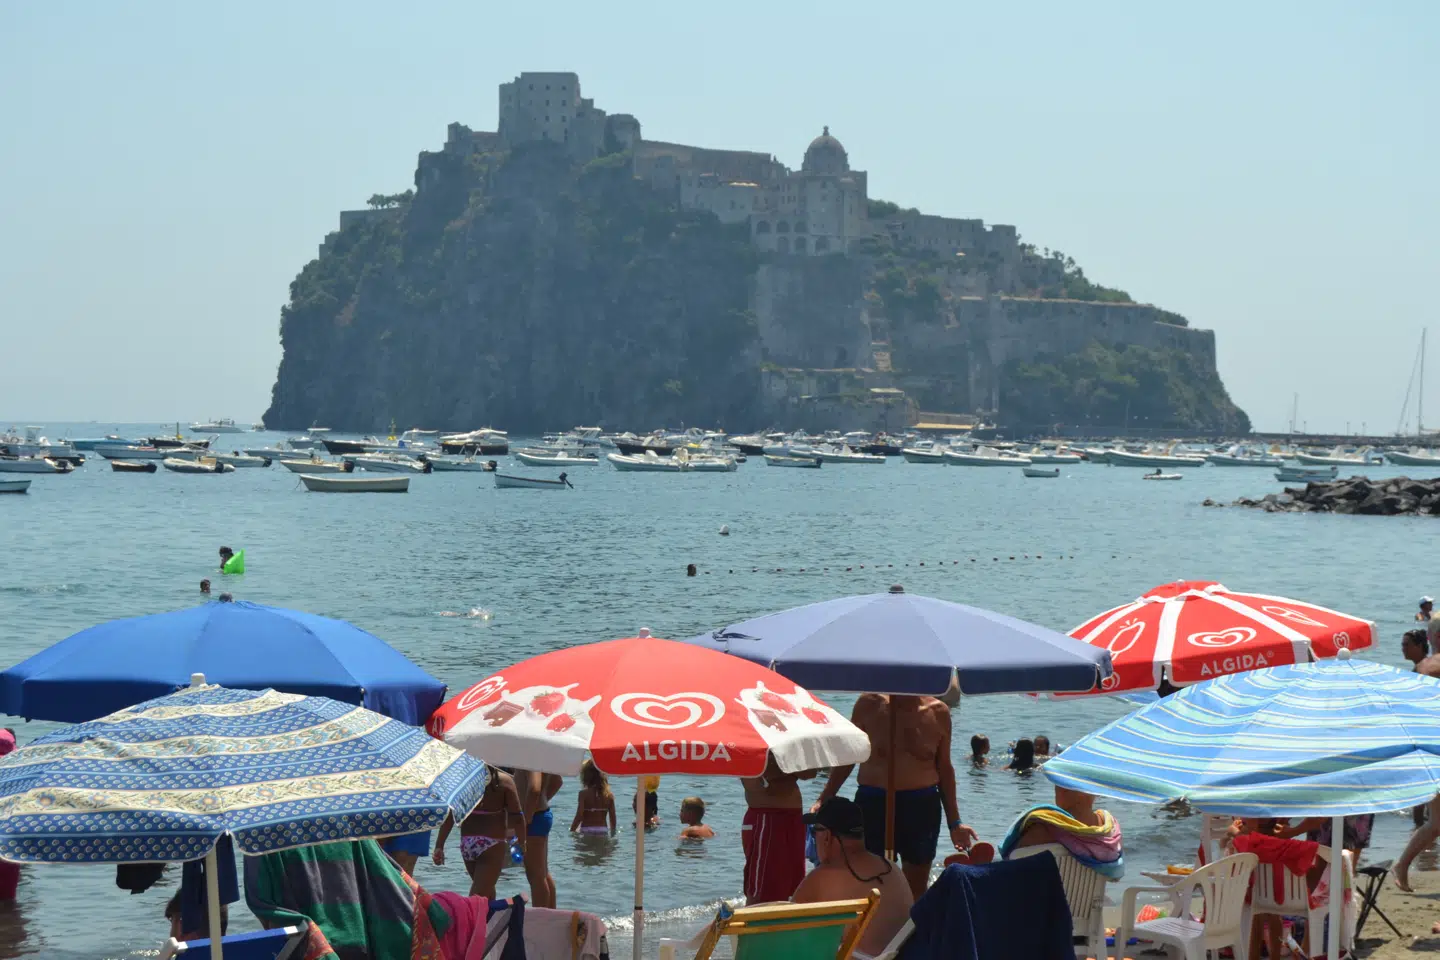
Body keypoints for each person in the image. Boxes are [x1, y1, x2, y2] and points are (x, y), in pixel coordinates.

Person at [813, 693, 976, 902]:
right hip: (873, 802)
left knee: (915, 887)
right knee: (869, 880)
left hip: (921, 805)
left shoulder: (938, 712)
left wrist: (955, 823)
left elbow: (944, 768)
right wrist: (825, 798)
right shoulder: (868, 705)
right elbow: (848, 757)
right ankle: (876, 932)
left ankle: (911, 933)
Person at [792, 798, 914, 959]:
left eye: (815, 832)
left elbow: (786, 928)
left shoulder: (823, 877)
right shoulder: (892, 868)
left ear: (827, 836)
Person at [433, 766, 525, 898]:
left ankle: (489, 918)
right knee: (477, 896)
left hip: (467, 843)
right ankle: (467, 918)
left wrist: (439, 845)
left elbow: (451, 815)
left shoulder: (463, 780)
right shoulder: (504, 781)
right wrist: (522, 842)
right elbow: (517, 816)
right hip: (491, 844)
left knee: (485, 892)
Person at [1001, 784, 1124, 880]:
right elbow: (1115, 877)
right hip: (1089, 907)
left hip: (1041, 907)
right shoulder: (1109, 829)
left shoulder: (1045, 827)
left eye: (1060, 784)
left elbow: (1013, 862)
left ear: (1063, 790)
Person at [741, 752, 814, 904]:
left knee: (793, 886)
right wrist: (788, 766)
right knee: (761, 892)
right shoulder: (753, 739)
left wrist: (782, 765)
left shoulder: (785, 737)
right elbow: (761, 779)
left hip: (791, 816)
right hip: (766, 816)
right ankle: (752, 925)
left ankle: (783, 925)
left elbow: (809, 773)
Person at [515, 769, 562, 908]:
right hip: (539, 815)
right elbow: (557, 780)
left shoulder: (530, 755)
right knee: (542, 872)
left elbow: (534, 789)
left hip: (533, 819)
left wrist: (526, 819)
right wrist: (543, 800)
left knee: (535, 876)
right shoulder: (539, 752)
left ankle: (541, 918)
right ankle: (551, 914)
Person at [571, 759, 617, 835]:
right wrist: (613, 834)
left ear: (585, 776)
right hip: (602, 830)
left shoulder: (583, 794)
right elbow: (613, 819)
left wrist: (572, 830)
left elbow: (579, 815)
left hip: (586, 829)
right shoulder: (609, 795)